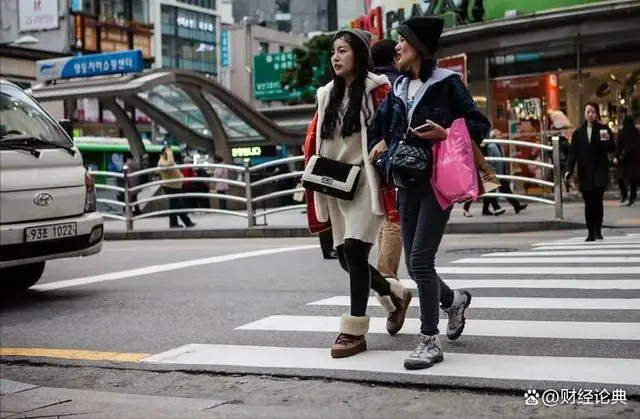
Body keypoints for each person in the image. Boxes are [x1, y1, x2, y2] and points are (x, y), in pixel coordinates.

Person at [369, 16, 490, 370]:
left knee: (420, 260)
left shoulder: (447, 83)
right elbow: (378, 127)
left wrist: (447, 133)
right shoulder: (398, 90)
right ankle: (454, 301)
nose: (397, 48)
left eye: (402, 42)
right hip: (405, 183)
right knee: (414, 263)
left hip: (437, 183)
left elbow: (479, 126)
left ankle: (429, 340)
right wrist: (379, 141)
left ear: (418, 47)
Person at [304, 28, 413, 359]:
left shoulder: (377, 90)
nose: (335, 57)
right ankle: (395, 294)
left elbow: (398, 127)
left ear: (359, 55)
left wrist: (386, 144)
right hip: (335, 182)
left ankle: (353, 331)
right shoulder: (325, 95)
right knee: (344, 258)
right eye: (333, 52)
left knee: (354, 249)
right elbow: (315, 139)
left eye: (343, 51)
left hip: (366, 181)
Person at [371, 38, 403, 280]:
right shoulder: (395, 85)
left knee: (384, 215)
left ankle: (385, 277)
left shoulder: (369, 85)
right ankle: (387, 278)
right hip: (394, 159)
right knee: (394, 216)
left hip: (372, 160)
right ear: (394, 57)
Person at [565, 103, 615, 241]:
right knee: (588, 202)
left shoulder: (604, 129)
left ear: (596, 113)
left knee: (597, 201)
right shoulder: (578, 133)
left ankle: (598, 229)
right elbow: (572, 154)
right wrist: (568, 170)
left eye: (593, 112)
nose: (590, 114)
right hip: (585, 172)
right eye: (588, 112)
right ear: (584, 114)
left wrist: (605, 139)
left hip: (599, 170)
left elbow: (611, 148)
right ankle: (590, 232)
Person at [158, 145, 196, 228]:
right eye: (168, 152)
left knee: (176, 205)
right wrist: (169, 152)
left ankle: (178, 223)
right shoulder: (162, 161)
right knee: (177, 205)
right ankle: (185, 222)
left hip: (174, 185)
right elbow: (170, 163)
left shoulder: (166, 160)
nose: (170, 154)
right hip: (171, 186)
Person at [614, 116, 640, 206]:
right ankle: (632, 198)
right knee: (633, 180)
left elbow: (618, 146)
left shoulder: (622, 133)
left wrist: (616, 156)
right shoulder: (636, 133)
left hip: (624, 160)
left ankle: (624, 195)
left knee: (620, 177)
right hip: (635, 160)